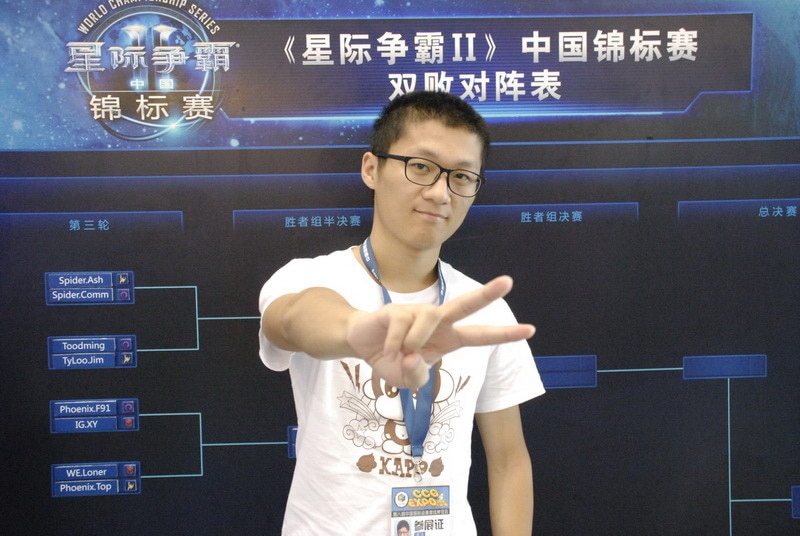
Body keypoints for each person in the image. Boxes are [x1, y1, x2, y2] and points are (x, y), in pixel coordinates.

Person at [259, 90, 545, 535]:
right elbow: (292, 320)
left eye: (462, 176)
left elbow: (508, 459)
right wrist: (357, 328)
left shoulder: (484, 309)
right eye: (421, 167)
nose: (440, 193)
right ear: (371, 169)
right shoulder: (307, 277)